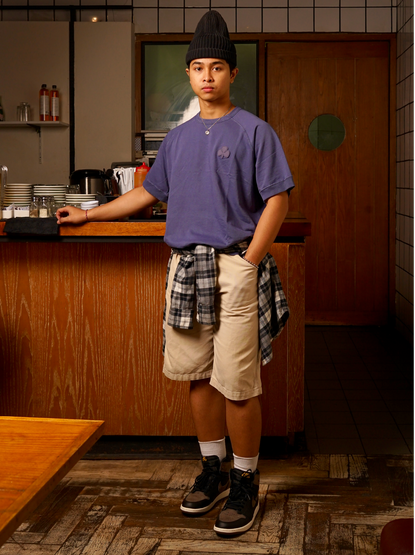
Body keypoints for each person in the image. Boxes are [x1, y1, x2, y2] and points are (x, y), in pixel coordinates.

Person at [57, 9, 294, 536]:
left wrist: (250, 259)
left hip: (234, 267)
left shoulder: (256, 131)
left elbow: (277, 199)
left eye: (217, 67)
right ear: (188, 75)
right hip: (186, 269)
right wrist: (90, 213)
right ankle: (212, 469)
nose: (207, 75)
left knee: (238, 385)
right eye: (198, 67)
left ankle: (245, 480)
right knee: (197, 378)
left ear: (233, 74)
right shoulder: (179, 139)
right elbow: (147, 193)